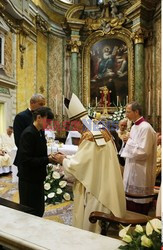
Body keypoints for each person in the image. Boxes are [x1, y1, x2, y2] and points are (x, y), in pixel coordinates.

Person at [54, 93, 126, 233]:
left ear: (78, 121)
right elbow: (90, 159)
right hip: (107, 181)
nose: (74, 128)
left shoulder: (89, 135)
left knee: (93, 229)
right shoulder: (99, 128)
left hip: (97, 189)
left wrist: (63, 159)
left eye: (73, 124)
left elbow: (78, 166)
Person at [17, 107, 55, 217]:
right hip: (28, 179)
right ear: (38, 118)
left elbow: (38, 154)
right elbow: (26, 160)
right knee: (28, 212)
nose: (49, 124)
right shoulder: (29, 133)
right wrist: (47, 159)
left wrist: (49, 157)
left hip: (37, 178)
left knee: (38, 210)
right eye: (47, 121)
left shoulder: (40, 132)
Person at [121, 101, 157, 215]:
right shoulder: (134, 126)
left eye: (128, 112)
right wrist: (126, 140)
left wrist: (129, 141)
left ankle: (139, 220)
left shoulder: (146, 128)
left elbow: (143, 152)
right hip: (132, 166)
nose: (126, 115)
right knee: (129, 198)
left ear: (136, 112)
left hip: (141, 169)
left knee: (138, 200)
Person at [13, 94, 45, 167]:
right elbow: (18, 141)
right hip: (26, 159)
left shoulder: (40, 118)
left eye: (43, 105)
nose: (43, 107)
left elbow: (41, 136)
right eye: (41, 104)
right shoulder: (21, 117)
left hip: (39, 160)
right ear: (32, 102)